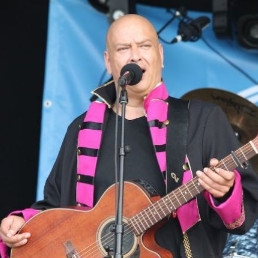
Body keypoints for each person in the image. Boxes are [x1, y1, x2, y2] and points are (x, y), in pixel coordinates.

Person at [1, 14, 258, 258]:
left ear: (160, 54)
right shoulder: (80, 130)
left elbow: (242, 218)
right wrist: (20, 223)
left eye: (145, 45)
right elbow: (55, 207)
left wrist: (225, 192)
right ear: (109, 61)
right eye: (124, 48)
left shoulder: (203, 120)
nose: (136, 56)